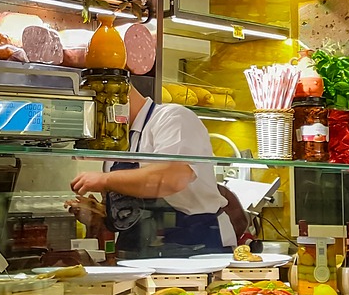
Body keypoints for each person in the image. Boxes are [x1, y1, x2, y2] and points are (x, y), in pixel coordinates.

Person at [67, 84, 244, 254]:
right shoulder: (118, 141)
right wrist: (97, 216)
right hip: (135, 253)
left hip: (197, 247)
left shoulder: (173, 118)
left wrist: (104, 180)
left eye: (93, 107)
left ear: (116, 96)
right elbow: (128, 211)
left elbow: (173, 178)